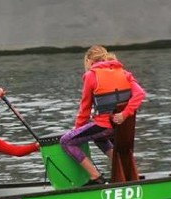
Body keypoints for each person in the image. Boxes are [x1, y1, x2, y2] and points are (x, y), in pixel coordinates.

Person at [60, 45, 146, 185]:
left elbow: (85, 108)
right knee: (99, 138)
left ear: (89, 61)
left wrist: (76, 130)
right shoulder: (124, 72)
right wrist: (125, 114)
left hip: (105, 125)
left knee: (66, 141)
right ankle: (125, 170)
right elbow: (140, 93)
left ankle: (95, 176)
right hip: (121, 125)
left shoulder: (91, 75)